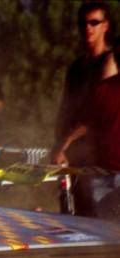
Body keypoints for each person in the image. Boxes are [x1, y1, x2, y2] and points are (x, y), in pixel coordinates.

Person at [51, 45, 120, 220]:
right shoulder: (104, 89)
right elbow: (86, 122)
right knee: (105, 234)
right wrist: (63, 145)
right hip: (103, 174)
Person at [53, 1, 114, 167]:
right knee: (69, 193)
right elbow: (65, 107)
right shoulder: (76, 67)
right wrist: (59, 142)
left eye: (94, 22)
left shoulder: (109, 63)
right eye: (83, 23)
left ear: (105, 26)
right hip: (72, 151)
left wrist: (66, 140)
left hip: (101, 154)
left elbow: (98, 111)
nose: (88, 27)